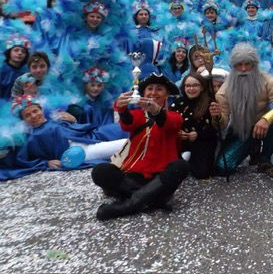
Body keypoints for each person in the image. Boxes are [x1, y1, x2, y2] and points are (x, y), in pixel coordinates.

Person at [91, 71, 189, 220]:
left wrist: (156, 110)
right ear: (143, 92)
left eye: (159, 89)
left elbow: (169, 123)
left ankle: (128, 206)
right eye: (150, 88)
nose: (154, 92)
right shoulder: (137, 115)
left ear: (167, 94)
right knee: (100, 171)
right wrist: (122, 108)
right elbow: (127, 123)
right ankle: (154, 199)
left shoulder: (174, 116)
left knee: (180, 166)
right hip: (134, 176)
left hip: (160, 177)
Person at [215, 43, 273, 177]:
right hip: (241, 131)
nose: (244, 69)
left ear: (254, 64)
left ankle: (265, 160)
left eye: (248, 64)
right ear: (233, 67)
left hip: (264, 126)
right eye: (239, 65)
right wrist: (217, 117)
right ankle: (251, 148)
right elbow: (223, 123)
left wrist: (266, 119)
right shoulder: (224, 91)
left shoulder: (268, 81)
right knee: (223, 167)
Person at [171, 73, 223, 179]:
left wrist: (198, 135)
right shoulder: (178, 103)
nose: (191, 88)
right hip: (181, 141)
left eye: (195, 85)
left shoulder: (210, 103)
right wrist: (178, 133)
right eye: (188, 86)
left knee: (202, 173)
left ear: (202, 87)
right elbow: (170, 123)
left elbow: (215, 129)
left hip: (203, 141)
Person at [1, 36, 30, 100]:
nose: (20, 53)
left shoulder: (25, 73)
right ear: (9, 52)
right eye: (16, 50)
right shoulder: (2, 69)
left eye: (23, 52)